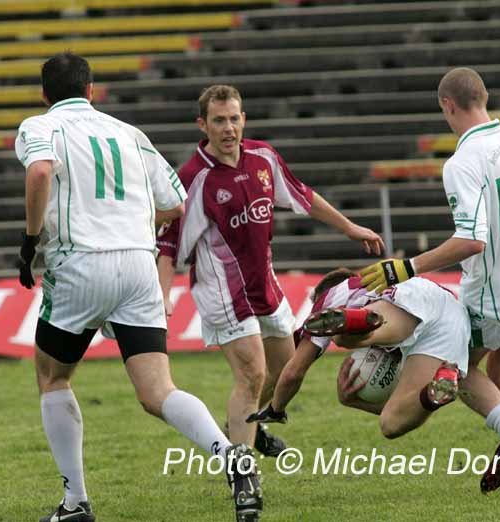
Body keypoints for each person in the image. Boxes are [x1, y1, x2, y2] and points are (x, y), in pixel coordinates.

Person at [15, 53, 262, 522]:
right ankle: (231, 456)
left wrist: (30, 242)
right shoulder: (129, 133)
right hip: (138, 264)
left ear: (45, 95)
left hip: (80, 263)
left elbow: (41, 172)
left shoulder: (39, 125)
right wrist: (124, 223)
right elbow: (176, 202)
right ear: (91, 90)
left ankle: (75, 503)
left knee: (53, 376)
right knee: (157, 390)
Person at [359, 67, 500, 492]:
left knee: (456, 370)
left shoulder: (463, 160)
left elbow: (471, 242)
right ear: (484, 97)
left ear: (448, 105)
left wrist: (405, 268)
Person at [156, 85, 385, 454]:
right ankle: (242, 472)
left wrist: (350, 227)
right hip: (223, 294)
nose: (229, 128)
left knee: (282, 369)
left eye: (234, 118)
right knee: (251, 375)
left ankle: (245, 424)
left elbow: (303, 195)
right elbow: (168, 244)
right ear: (203, 125)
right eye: (219, 121)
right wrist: (163, 295)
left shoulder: (263, 157)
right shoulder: (194, 177)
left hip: (265, 285)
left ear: (243, 118)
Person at [247, 268, 470, 440]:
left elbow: (293, 373)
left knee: (344, 339)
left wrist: (276, 409)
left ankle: (356, 320)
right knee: (390, 424)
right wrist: (351, 401)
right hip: (450, 316)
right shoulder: (373, 279)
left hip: (405, 306)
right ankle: (436, 391)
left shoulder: (329, 298)